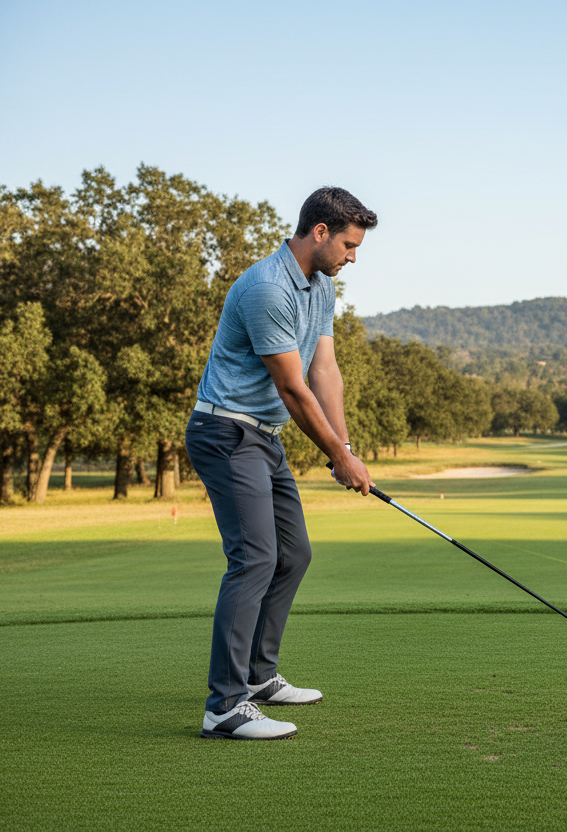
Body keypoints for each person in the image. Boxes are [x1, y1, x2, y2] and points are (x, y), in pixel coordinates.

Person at [187, 187, 377, 740]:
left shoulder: (320, 288)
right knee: (254, 558)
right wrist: (337, 458)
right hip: (225, 431)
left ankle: (257, 677)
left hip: (262, 437)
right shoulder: (268, 288)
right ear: (319, 232)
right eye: (348, 244)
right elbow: (292, 388)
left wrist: (346, 447)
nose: (352, 257)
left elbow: (325, 372)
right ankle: (224, 706)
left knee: (293, 554)